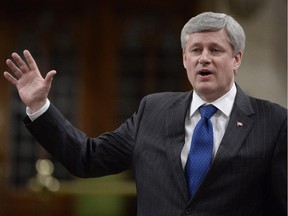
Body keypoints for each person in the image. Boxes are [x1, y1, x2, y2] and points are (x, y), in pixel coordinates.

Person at [3, 12, 287, 216]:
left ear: (236, 58)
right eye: (196, 50)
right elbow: (86, 158)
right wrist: (40, 107)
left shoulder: (273, 122)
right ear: (184, 59)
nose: (204, 58)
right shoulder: (154, 110)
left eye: (215, 50)